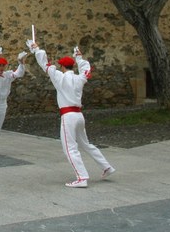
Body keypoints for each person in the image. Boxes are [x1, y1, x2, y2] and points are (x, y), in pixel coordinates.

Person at [28, 40, 116, 188]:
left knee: (69, 148)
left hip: (68, 116)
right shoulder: (79, 78)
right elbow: (86, 70)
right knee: (86, 144)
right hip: (79, 116)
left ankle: (82, 177)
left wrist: (36, 49)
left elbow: (45, 64)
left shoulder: (59, 77)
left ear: (62, 66)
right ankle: (106, 167)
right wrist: (80, 58)